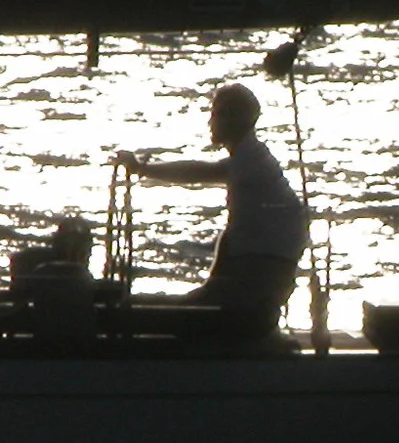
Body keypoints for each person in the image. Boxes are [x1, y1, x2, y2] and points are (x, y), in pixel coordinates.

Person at [118, 82, 307, 328]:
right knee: (147, 307)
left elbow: (200, 171)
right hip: (256, 274)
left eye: (216, 114)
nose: (210, 122)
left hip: (257, 282)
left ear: (234, 119)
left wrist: (143, 168)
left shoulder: (251, 162)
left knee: (147, 315)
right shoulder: (252, 160)